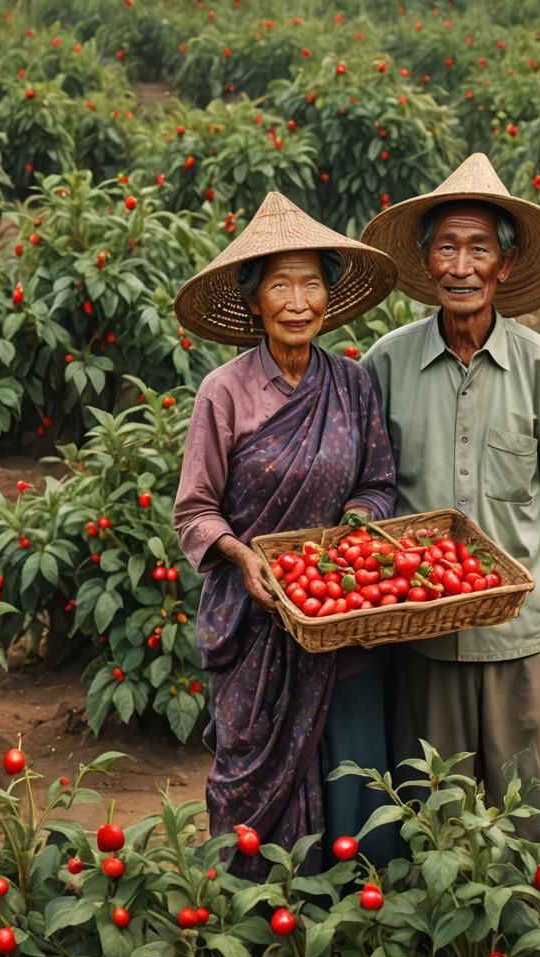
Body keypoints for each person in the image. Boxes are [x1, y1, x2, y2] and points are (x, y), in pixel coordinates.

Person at [360, 154, 540, 839]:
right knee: (426, 810)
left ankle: (519, 940)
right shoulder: (385, 363)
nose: (462, 266)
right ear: (426, 261)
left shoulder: (539, 367)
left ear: (505, 264)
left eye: (479, 248)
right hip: (421, 634)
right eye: (447, 247)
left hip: (520, 634)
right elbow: (366, 485)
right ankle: (439, 946)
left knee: (519, 815)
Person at [172, 192, 399, 875]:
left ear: (330, 296)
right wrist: (242, 557)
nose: (299, 301)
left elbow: (378, 483)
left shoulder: (354, 385)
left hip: (339, 618)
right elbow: (195, 511)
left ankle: (357, 924)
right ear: (254, 301)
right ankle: (260, 921)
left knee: (352, 775)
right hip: (256, 625)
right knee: (253, 787)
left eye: (312, 284)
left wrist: (356, 529)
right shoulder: (226, 392)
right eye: (280, 285)